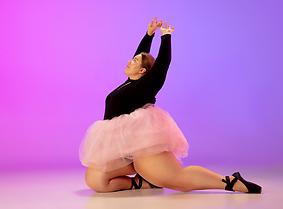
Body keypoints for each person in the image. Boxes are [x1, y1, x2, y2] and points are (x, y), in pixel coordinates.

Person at [79, 17, 262, 193]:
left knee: (176, 179)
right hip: (121, 147)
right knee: (95, 180)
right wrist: (148, 35)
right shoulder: (129, 82)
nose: (129, 61)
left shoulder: (146, 86)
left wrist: (165, 37)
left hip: (141, 143)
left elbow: (162, 64)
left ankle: (230, 182)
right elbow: (141, 56)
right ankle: (142, 183)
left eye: (134, 61)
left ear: (143, 71)